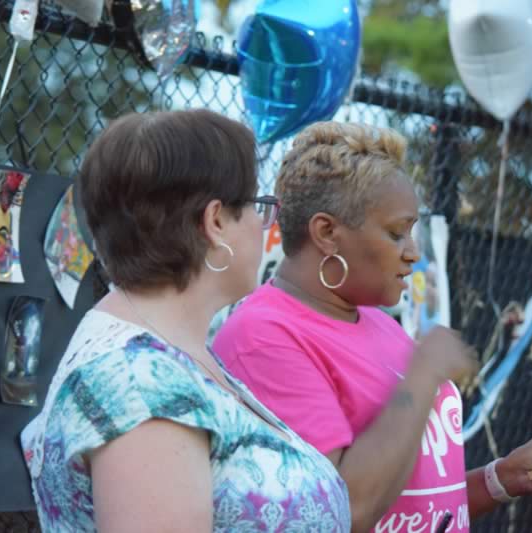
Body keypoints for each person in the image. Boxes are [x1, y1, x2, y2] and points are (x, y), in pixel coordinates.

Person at [214, 122, 532, 532]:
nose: (413, 252)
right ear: (327, 233)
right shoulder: (263, 338)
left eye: (413, 231)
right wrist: (422, 376)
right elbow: (344, 512)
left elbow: (414, 506)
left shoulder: (375, 321)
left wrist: (502, 480)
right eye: (396, 233)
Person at [20, 110, 351, 532]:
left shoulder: (168, 357)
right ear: (215, 221)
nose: (263, 225)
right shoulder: (140, 382)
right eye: (257, 206)